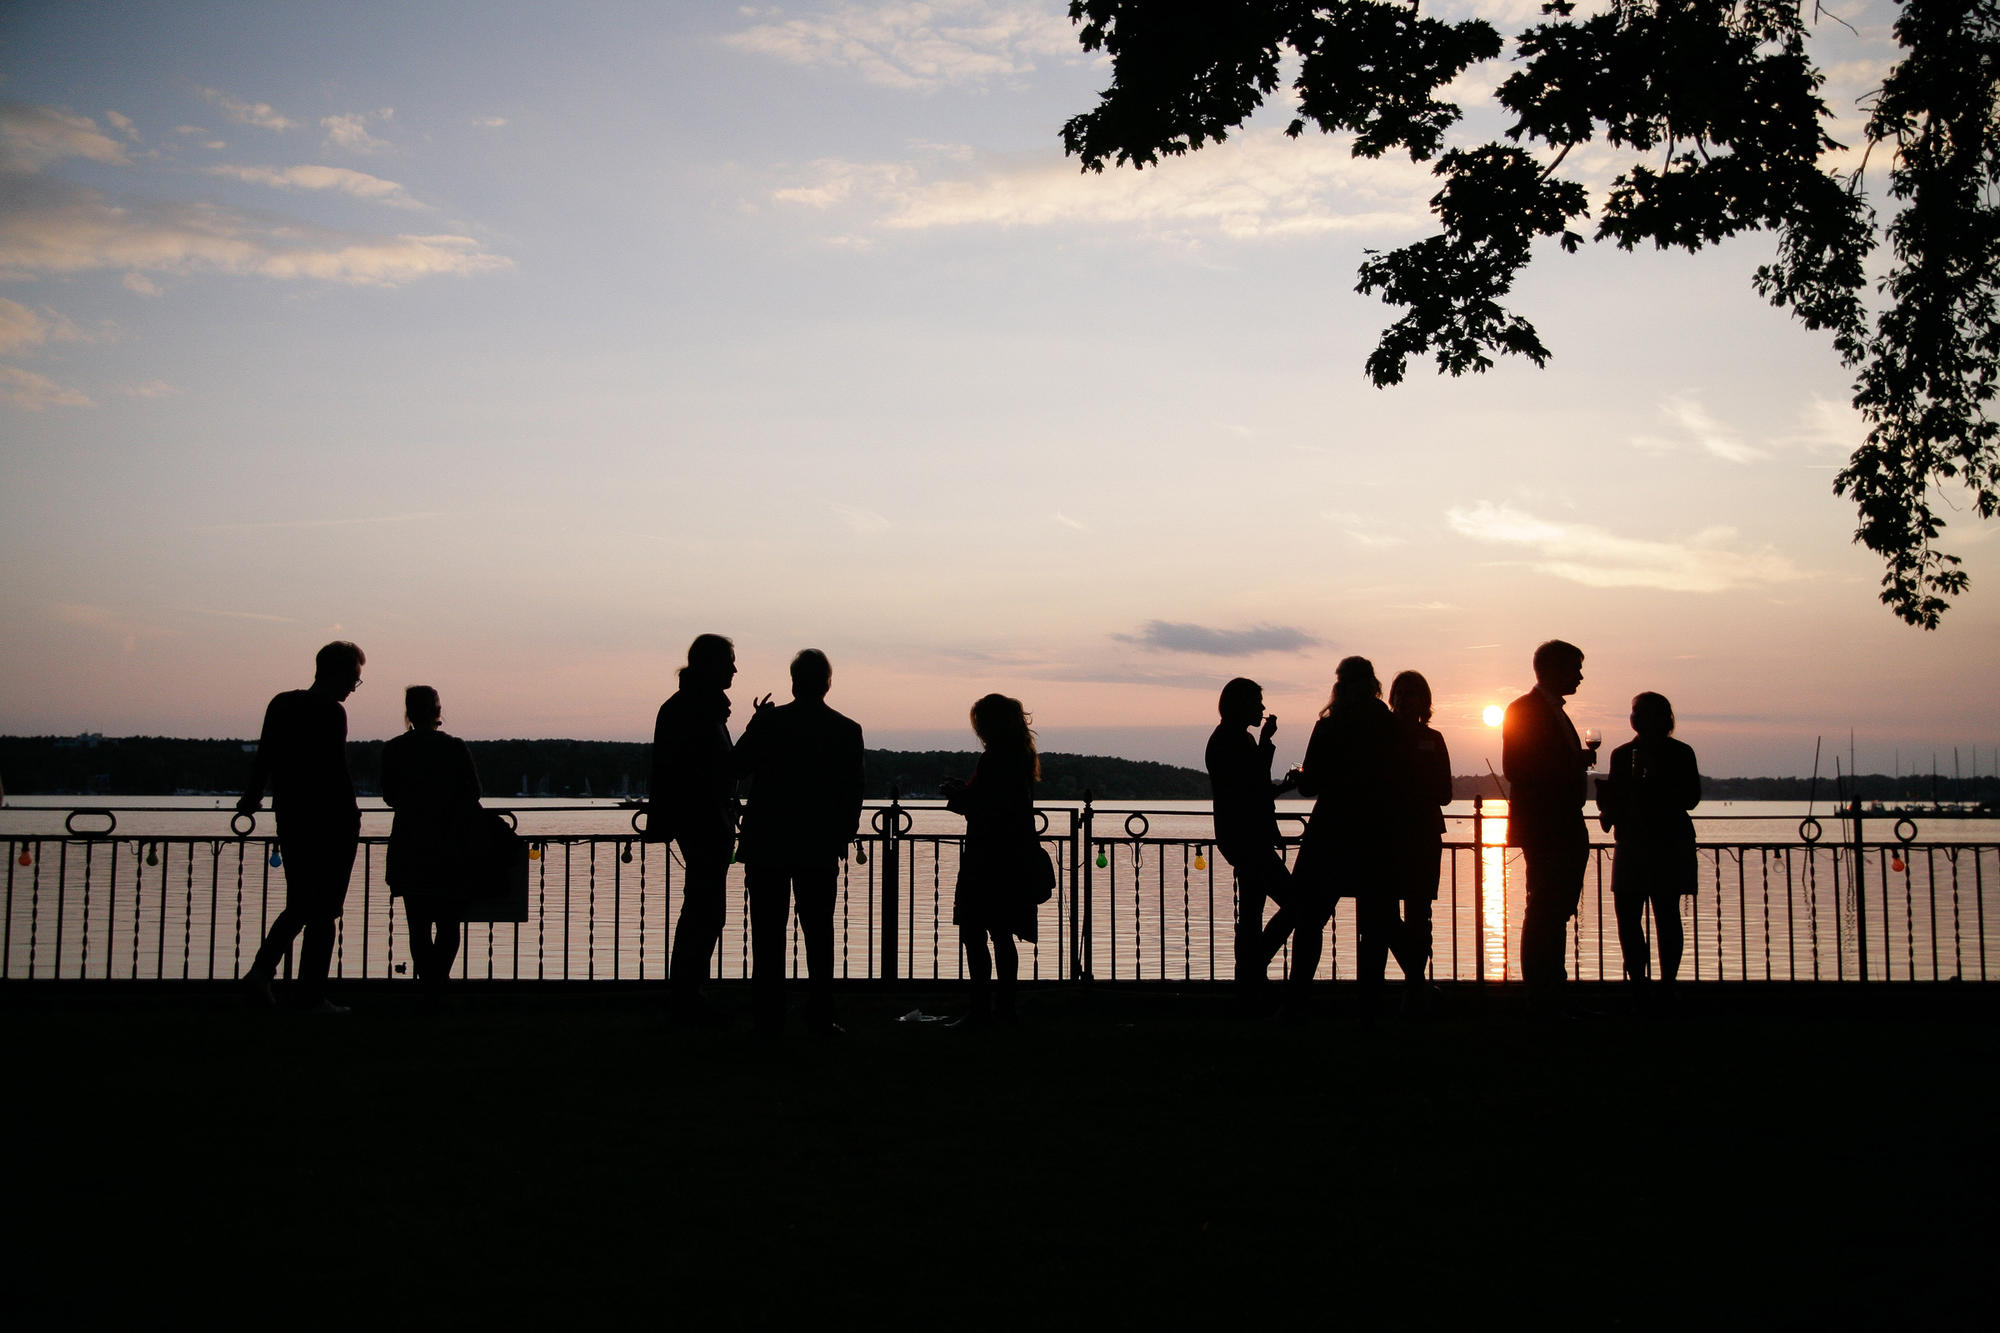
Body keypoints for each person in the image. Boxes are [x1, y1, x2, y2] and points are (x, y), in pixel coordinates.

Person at [733, 650, 865, 1037]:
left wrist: (755, 723)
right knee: (820, 934)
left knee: (768, 934)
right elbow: (852, 791)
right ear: (827, 682)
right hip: (818, 843)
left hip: (768, 841)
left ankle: (768, 1016)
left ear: (793, 681)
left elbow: (736, 766)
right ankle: (820, 1014)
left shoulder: (771, 724)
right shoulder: (845, 729)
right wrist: (842, 833)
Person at [237, 641, 365, 1013]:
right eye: (354, 680)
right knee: (324, 912)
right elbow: (336, 771)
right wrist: (352, 816)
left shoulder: (282, 704)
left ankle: (261, 974)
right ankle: (310, 995)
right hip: (331, 820)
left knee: (300, 904)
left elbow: (265, 756)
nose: (352, 689)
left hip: (291, 815)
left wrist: (252, 796)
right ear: (338, 674)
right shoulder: (332, 712)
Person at [1296, 656, 1414, 1018]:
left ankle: (1296, 1002)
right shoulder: (1390, 725)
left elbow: (1310, 784)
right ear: (1374, 683)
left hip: (1332, 830)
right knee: (1380, 922)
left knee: (1310, 919)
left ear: (1340, 684)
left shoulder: (1329, 726)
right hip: (1377, 832)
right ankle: (1378, 1001)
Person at [645, 634, 741, 1024]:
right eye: (730, 661)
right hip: (703, 821)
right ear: (710, 664)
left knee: (703, 909)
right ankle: (688, 994)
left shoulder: (689, 707)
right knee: (705, 909)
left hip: (702, 820)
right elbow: (718, 769)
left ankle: (688, 992)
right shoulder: (696, 710)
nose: (735, 669)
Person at [1203, 677, 1308, 1013]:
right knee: (1296, 905)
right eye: (1257, 702)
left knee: (1252, 910)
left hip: (1244, 836)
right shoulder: (1229, 740)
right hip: (1247, 838)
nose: (1263, 709)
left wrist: (1282, 786)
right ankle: (1253, 967)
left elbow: (1256, 787)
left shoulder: (1233, 738)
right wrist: (1267, 743)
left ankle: (1249, 981)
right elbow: (1252, 788)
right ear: (1241, 704)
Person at [1502, 639, 1595, 1010]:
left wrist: (1575, 761)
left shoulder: (1550, 710)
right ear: (1554, 670)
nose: (1581, 676)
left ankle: (1549, 991)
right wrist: (1571, 765)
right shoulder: (1524, 709)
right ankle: (1543, 995)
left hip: (1561, 824)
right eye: (1575, 669)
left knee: (1554, 911)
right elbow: (1517, 767)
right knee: (1544, 910)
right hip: (1548, 826)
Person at [942, 694, 1041, 1026]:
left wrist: (958, 797)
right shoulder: (1021, 757)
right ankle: (1005, 1009)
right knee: (1001, 932)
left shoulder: (994, 759)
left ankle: (981, 1009)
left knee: (975, 931)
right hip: (1012, 856)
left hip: (986, 857)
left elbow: (986, 806)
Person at [380, 685, 483, 999]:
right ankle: (438, 984)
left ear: (409, 712)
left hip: (410, 844)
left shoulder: (394, 748)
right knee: (449, 925)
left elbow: (389, 796)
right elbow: (474, 793)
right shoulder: (454, 747)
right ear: (438, 712)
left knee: (418, 926)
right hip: (450, 845)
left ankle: (429, 985)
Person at [1598, 692, 1701, 998]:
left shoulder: (1681, 753)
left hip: (1668, 841)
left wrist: (1654, 780)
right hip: (1632, 840)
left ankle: (1667, 984)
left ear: (1662, 718)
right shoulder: (1621, 754)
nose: (1637, 718)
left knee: (1666, 914)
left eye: (1642, 712)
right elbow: (1618, 797)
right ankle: (1639, 982)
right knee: (1628, 917)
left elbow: (1691, 798)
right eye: (1635, 712)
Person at [1388, 670, 1451, 1008]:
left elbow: (1445, 793)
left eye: (1414, 693)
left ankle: (1415, 986)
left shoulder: (1435, 738)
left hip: (1424, 834)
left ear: (1424, 701)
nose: (1407, 699)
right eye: (1402, 692)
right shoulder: (1381, 737)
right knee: (1384, 912)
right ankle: (1415, 979)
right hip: (1391, 834)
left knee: (1419, 912)